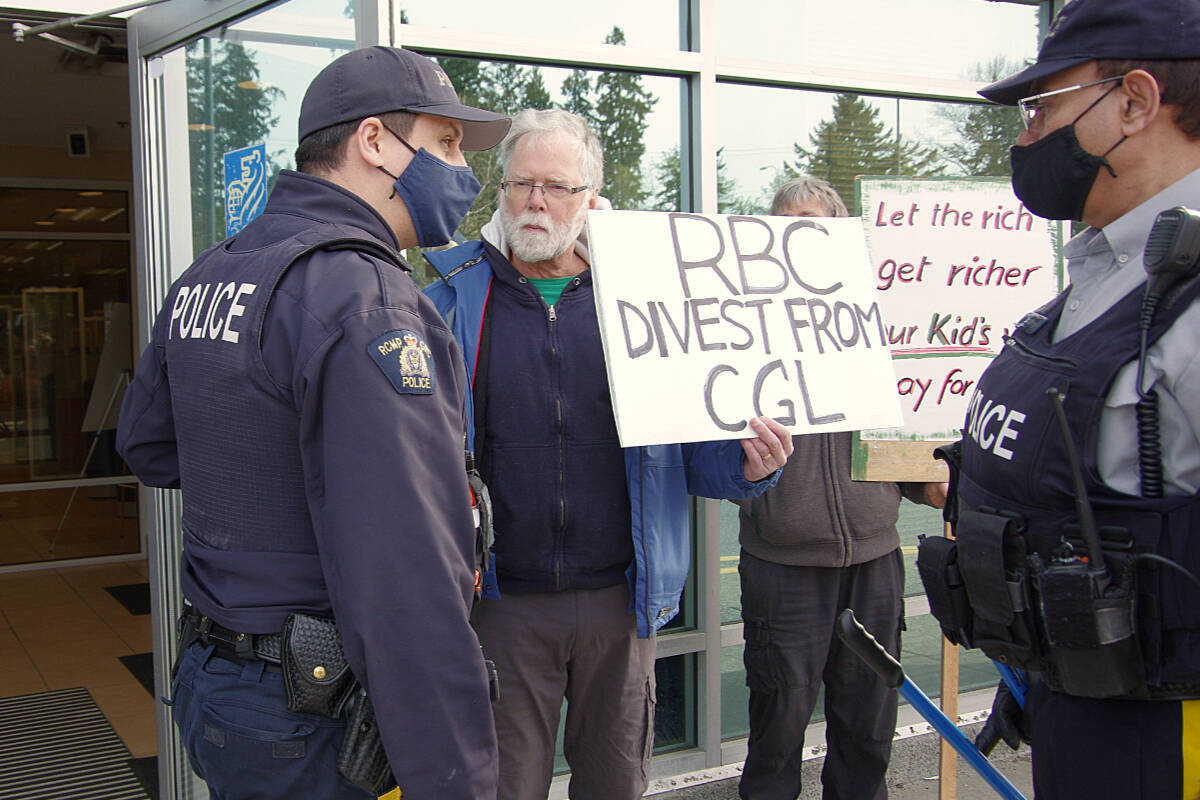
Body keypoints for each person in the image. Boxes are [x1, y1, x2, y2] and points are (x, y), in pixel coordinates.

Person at [115, 46, 510, 800]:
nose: (463, 170)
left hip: (218, 686)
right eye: (448, 143)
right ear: (373, 142)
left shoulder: (215, 270)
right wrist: (457, 779)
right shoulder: (364, 297)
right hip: (309, 716)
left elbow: (149, 446)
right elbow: (407, 572)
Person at [423, 108, 794, 800]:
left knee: (615, 785)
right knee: (504, 788)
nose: (536, 201)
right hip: (500, 608)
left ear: (592, 196)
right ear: (500, 191)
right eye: (521, 183)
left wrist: (749, 465)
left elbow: (690, 447)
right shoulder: (447, 300)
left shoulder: (647, 295)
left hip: (619, 607)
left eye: (558, 187)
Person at [924, 1, 1200, 798]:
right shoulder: (1103, 280)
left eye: (1045, 105)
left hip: (1166, 737)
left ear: (1136, 102)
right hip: (1074, 709)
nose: (1026, 133)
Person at [735, 178, 944, 800]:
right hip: (781, 565)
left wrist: (929, 478)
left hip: (875, 561)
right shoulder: (735, 326)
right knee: (776, 733)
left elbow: (895, 438)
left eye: (813, 224)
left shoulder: (875, 323)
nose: (799, 234)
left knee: (868, 729)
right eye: (785, 223)